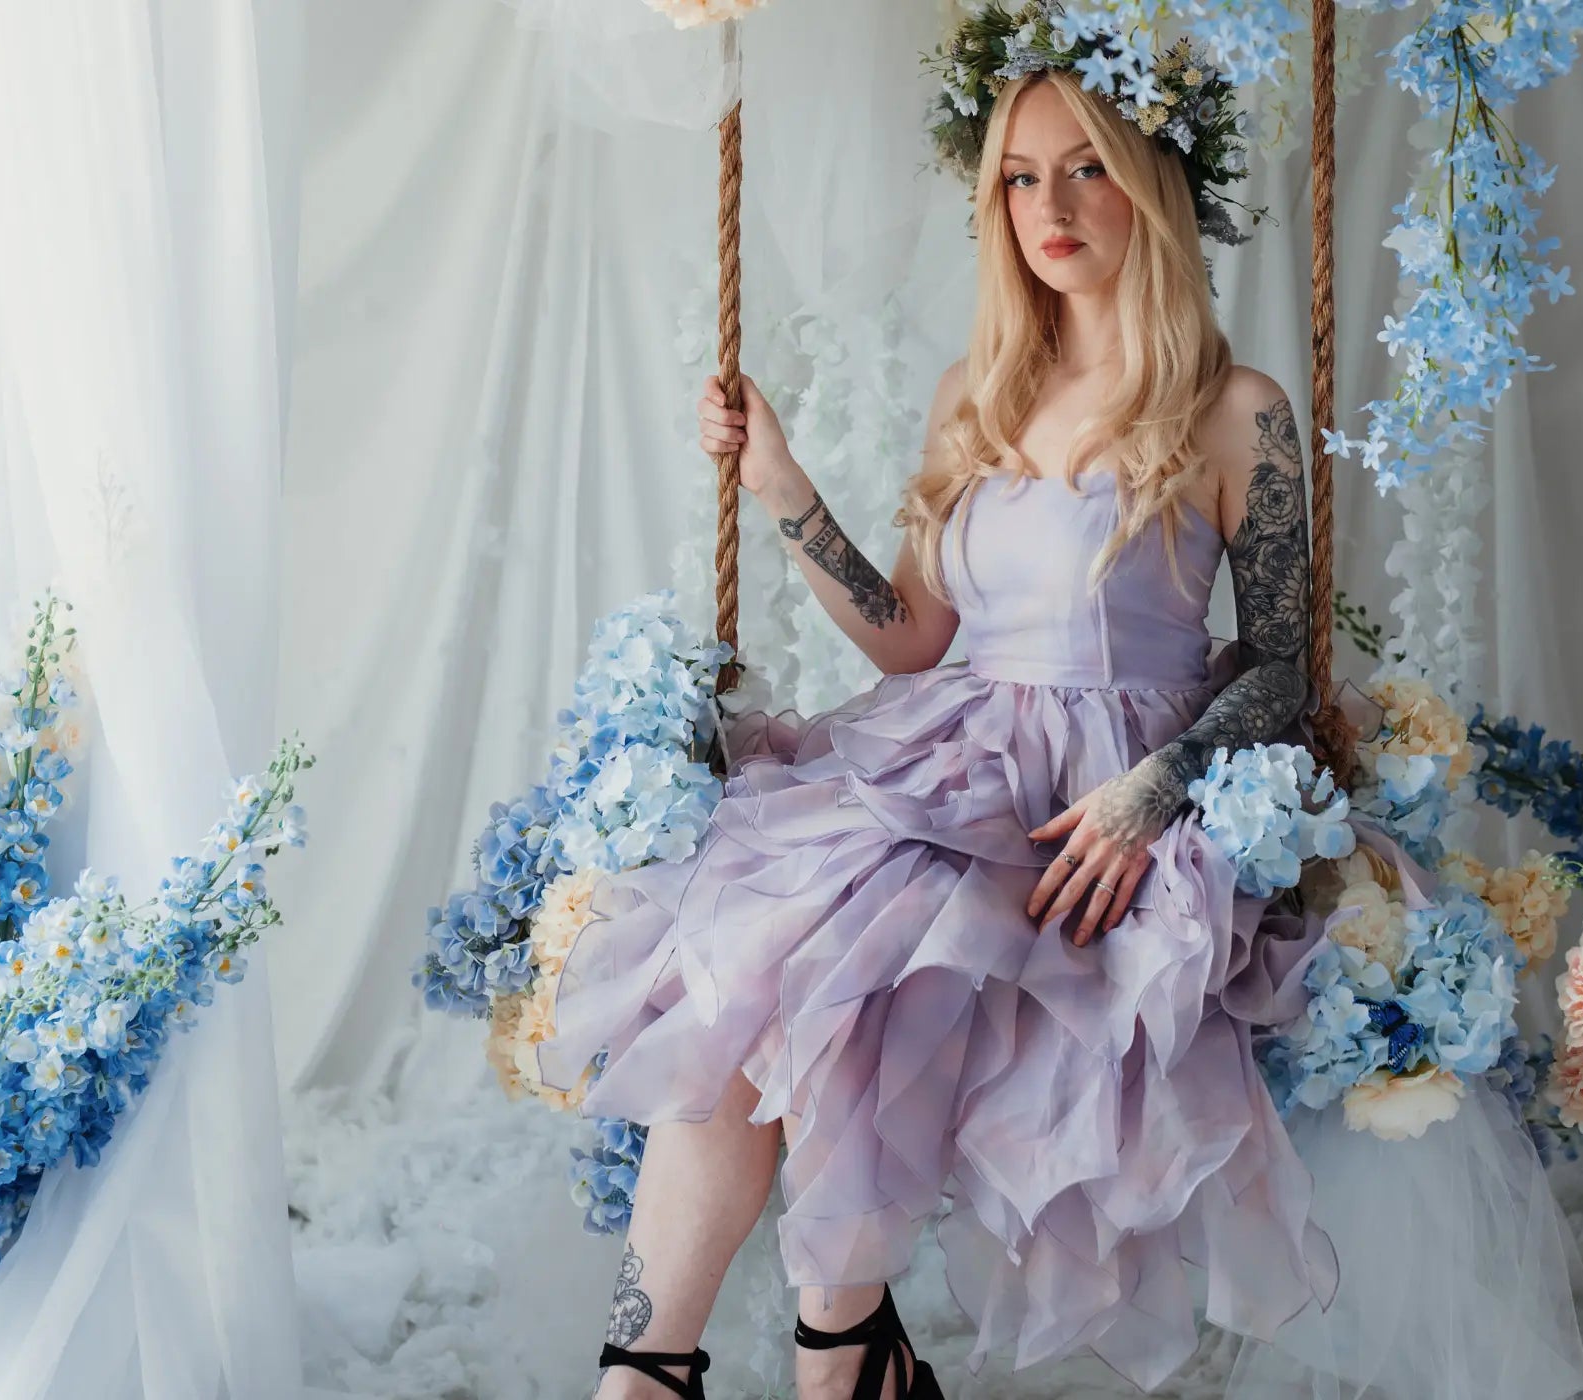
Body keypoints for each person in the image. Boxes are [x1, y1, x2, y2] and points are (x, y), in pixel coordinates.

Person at [538, 41, 1333, 1398]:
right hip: (950, 748)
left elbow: (1284, 670)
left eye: (1088, 168)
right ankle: (648, 1367)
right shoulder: (981, 395)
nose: (1052, 207)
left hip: (1094, 794)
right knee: (747, 952)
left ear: (1151, 184)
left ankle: (840, 1355)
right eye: (1020, 178)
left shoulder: (1232, 410)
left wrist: (1161, 788)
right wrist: (782, 485)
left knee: (872, 950)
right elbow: (914, 638)